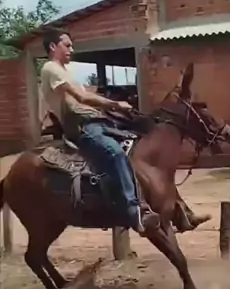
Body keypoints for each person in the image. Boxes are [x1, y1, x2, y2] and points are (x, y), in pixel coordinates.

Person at [40, 28, 160, 235]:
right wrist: (115, 105)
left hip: (95, 121)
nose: (71, 49)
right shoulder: (51, 68)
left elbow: (88, 101)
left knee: (137, 141)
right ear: (52, 46)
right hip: (81, 126)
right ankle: (133, 210)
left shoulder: (65, 71)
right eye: (67, 45)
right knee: (115, 152)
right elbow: (82, 98)